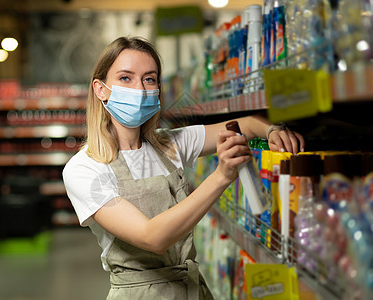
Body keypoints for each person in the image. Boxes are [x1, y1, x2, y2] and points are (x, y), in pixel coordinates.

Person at [62, 36, 304, 300]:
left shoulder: (169, 144)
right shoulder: (85, 168)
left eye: (149, 79)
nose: (140, 89)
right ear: (100, 89)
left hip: (192, 290)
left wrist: (272, 130)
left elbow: (244, 124)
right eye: (125, 78)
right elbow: (152, 237)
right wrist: (221, 177)